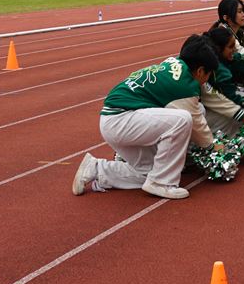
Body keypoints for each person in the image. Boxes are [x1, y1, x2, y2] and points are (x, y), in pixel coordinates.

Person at [72, 35, 221, 200]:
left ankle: (96, 168)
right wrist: (214, 147)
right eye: (208, 74)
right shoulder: (185, 86)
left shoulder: (174, 63)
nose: (206, 81)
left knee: (148, 172)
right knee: (183, 119)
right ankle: (161, 183)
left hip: (119, 118)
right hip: (120, 119)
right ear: (200, 71)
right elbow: (197, 126)